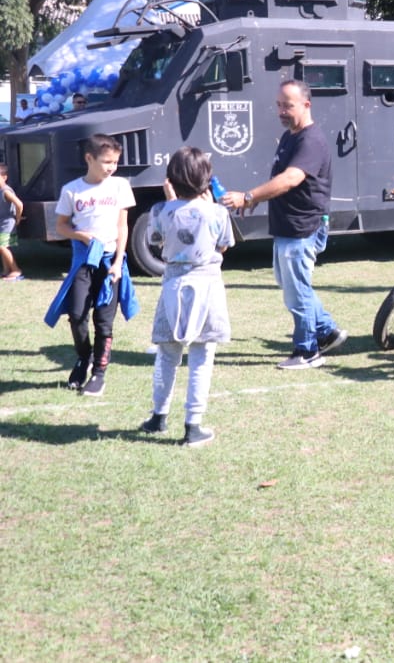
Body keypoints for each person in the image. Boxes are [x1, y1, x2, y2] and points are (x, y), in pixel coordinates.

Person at [221, 80, 347, 369]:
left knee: (296, 290)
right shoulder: (292, 135)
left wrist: (249, 196)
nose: (281, 111)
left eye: (287, 105)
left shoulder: (311, 140)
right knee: (291, 286)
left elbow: (291, 178)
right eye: (278, 105)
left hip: (302, 228)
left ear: (306, 104)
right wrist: (255, 201)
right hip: (288, 227)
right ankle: (327, 331)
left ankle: (307, 351)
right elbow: (282, 184)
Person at [140, 147, 233, 447]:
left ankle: (158, 415)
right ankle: (193, 424)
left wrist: (172, 205)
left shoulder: (159, 211)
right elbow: (223, 246)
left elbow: (155, 240)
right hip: (207, 285)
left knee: (167, 355)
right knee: (202, 358)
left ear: (171, 180)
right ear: (206, 180)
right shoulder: (218, 212)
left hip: (172, 284)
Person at [46, 133, 138, 396]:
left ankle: (99, 373)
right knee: (76, 315)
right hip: (84, 262)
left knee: (104, 321)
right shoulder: (72, 190)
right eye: (106, 161)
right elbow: (62, 226)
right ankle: (82, 358)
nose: (111, 167)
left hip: (111, 262)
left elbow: (123, 227)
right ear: (89, 158)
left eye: (115, 162)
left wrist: (119, 262)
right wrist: (82, 235)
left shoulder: (120, 186)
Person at [0, 163, 24, 281]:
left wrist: (18, 218)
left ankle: (16, 270)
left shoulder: (6, 191)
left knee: (2, 246)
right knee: (5, 247)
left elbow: (19, 204)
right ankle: (6, 270)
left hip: (7, 223)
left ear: (4, 177)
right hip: (2, 223)